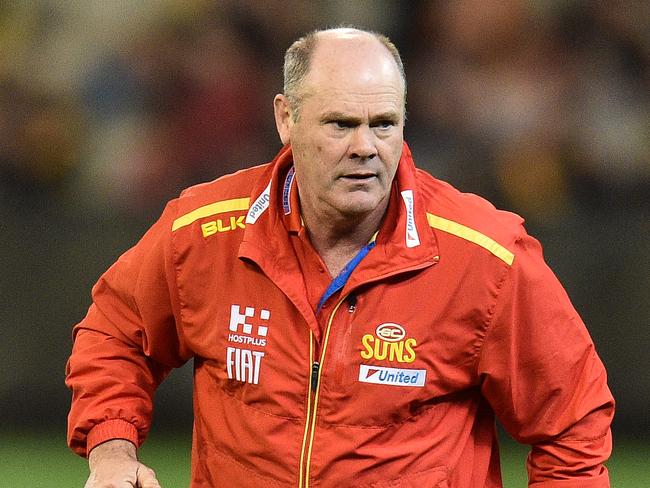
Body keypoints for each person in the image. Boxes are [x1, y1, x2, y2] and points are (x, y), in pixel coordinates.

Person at [66, 27, 614, 487]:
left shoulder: (485, 257)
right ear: (286, 119)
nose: (365, 147)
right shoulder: (203, 233)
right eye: (340, 124)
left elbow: (573, 426)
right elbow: (115, 334)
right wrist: (112, 449)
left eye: (384, 124)